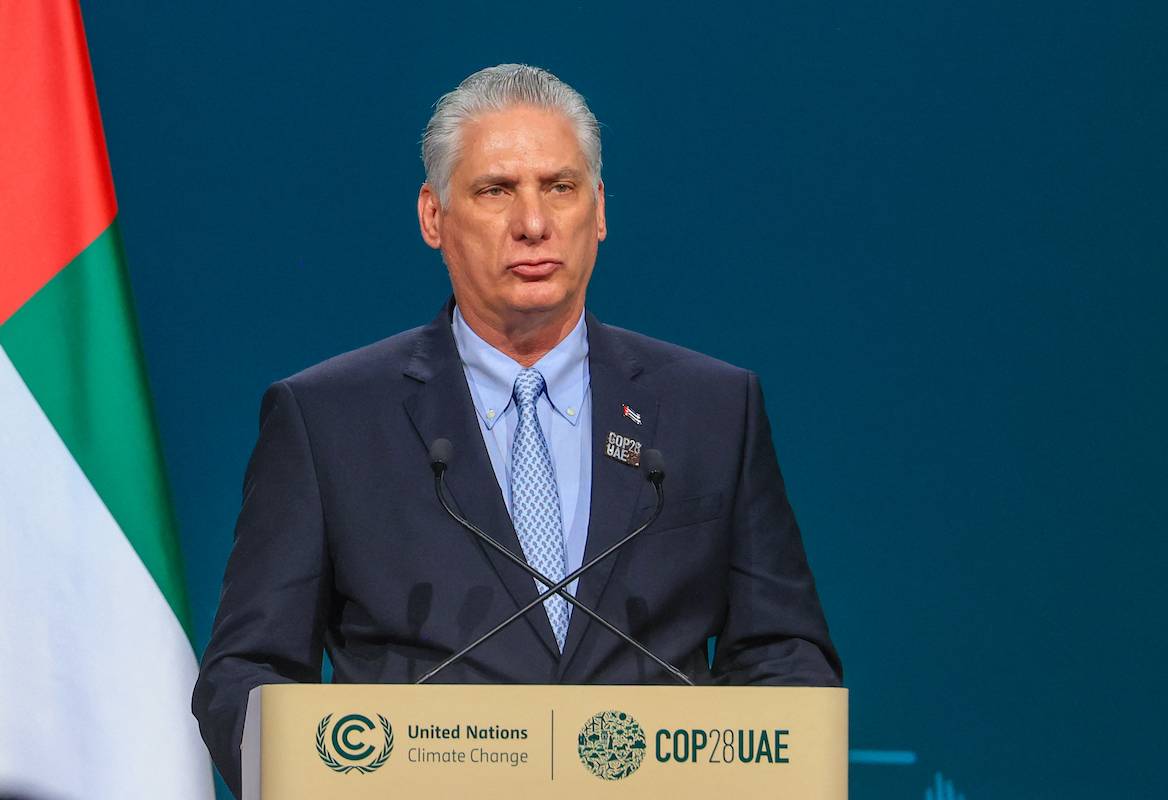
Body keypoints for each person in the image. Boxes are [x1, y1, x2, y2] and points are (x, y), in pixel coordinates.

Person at [192, 64, 841, 794]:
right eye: (496, 190)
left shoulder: (715, 409)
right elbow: (246, 670)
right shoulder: (326, 419)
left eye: (559, 188)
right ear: (433, 216)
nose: (533, 223)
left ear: (598, 210)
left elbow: (785, 653)